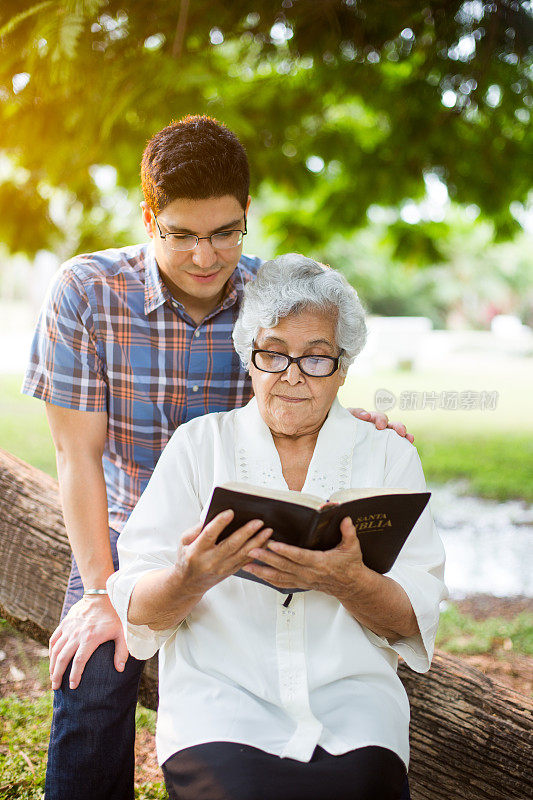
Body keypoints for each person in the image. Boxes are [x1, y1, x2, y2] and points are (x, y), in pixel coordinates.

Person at [23, 116, 414, 800]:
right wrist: (98, 593)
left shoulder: (271, 300)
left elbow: (306, 387)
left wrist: (362, 426)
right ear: (149, 218)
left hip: (241, 523)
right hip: (119, 524)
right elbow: (75, 457)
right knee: (91, 675)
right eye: (181, 235)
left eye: (224, 233)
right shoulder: (86, 292)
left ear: (245, 216)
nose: (205, 256)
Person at [109, 254, 447, 800]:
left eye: (316, 360)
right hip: (221, 708)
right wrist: (189, 578)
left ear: (343, 367)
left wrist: (346, 581)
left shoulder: (388, 457)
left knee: (362, 787)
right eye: (273, 354)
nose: (291, 376)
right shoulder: (199, 447)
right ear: (250, 358)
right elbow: (137, 607)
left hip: (353, 709)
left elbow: (415, 613)